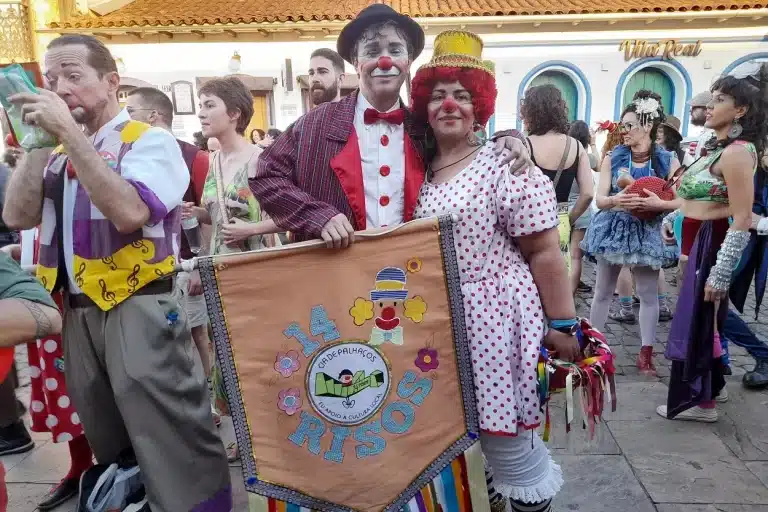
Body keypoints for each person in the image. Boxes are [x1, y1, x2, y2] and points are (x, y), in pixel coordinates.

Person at [2, 34, 231, 511]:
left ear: (111, 83)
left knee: (172, 430)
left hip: (141, 305)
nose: (60, 88)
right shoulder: (60, 151)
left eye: (73, 75)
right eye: (53, 78)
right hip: (77, 312)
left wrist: (66, 134)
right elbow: (17, 216)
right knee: (110, 438)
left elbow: (130, 212)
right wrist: (37, 147)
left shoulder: (150, 142)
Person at [412, 29, 577, 512]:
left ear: (478, 107)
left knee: (508, 445)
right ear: (424, 106)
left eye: (462, 97)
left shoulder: (504, 164)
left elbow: (546, 251)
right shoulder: (417, 168)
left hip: (496, 322)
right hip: (438, 324)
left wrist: (563, 324)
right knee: (455, 442)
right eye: (439, 96)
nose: (449, 105)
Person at [252, 3, 532, 247]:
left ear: (408, 61)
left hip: (408, 278)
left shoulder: (424, 128)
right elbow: (264, 175)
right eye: (372, 50)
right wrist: (316, 215)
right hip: (335, 276)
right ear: (355, 61)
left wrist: (508, 136)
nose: (384, 60)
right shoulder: (315, 124)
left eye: (394, 49)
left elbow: (467, 143)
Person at [658, 64, 768, 422]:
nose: (710, 107)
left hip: (713, 243)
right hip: (696, 241)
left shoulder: (737, 152)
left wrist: (721, 273)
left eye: (719, 100)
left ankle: (701, 402)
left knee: (703, 322)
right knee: (703, 322)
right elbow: (692, 197)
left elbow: (741, 217)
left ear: (740, 111)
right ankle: (706, 395)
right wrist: (670, 218)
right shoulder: (718, 148)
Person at [183, 76, 280, 461]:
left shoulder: (260, 159)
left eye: (209, 105)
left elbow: (287, 216)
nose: (202, 113)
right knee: (228, 356)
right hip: (222, 270)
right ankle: (246, 434)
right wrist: (199, 213)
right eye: (201, 104)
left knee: (261, 356)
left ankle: (271, 435)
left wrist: (253, 227)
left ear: (235, 113)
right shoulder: (215, 161)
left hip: (258, 271)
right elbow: (217, 215)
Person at [581, 90, 681, 376]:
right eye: (622, 125)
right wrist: (617, 200)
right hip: (614, 228)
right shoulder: (613, 157)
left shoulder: (667, 160)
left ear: (647, 125)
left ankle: (646, 354)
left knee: (649, 293)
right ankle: (594, 349)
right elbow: (600, 200)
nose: (623, 131)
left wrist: (659, 204)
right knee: (602, 292)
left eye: (629, 125)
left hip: (648, 230)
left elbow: (682, 200)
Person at [125, 87, 214, 396]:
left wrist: (199, 266)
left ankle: (205, 398)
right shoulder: (129, 154)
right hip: (147, 270)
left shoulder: (194, 157)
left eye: (130, 112)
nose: (124, 120)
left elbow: (211, 214)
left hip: (186, 263)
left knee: (196, 333)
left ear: (154, 116)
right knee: (165, 340)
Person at [520, 86, 593, 284]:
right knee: (558, 280)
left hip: (529, 221)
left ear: (530, 112)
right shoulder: (575, 146)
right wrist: (568, 219)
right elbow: (587, 194)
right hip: (559, 219)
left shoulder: (524, 144)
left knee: (528, 281)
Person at [566, 120, 599, 294]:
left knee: (560, 253)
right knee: (575, 256)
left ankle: (560, 290)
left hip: (563, 210)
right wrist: (593, 144)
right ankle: (570, 293)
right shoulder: (587, 157)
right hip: (583, 209)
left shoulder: (564, 154)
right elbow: (600, 165)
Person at [683, 91, 715, 166]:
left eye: (694, 107)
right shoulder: (706, 133)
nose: (690, 110)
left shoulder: (711, 135)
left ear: (707, 110)